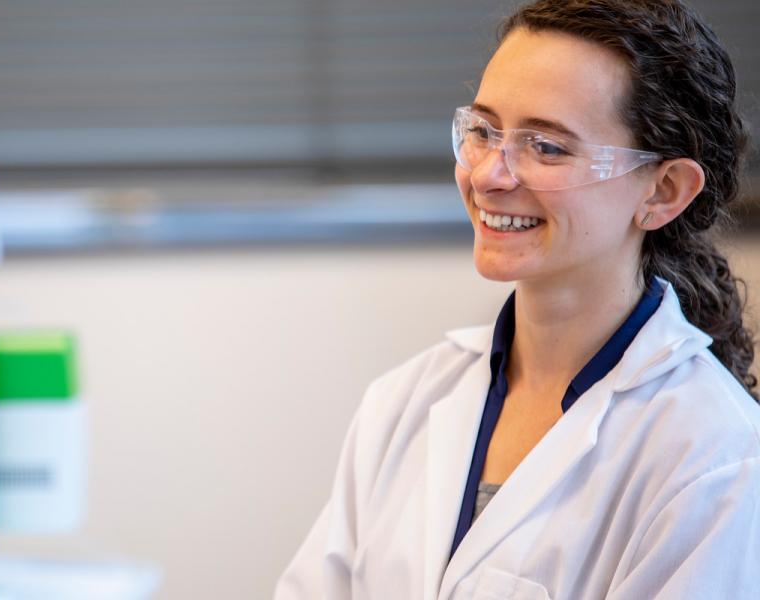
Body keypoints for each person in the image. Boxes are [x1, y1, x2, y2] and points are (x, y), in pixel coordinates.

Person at [274, 0, 760, 598]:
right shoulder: (405, 401)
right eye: (482, 131)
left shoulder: (715, 459)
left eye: (547, 147)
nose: (487, 175)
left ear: (663, 191)